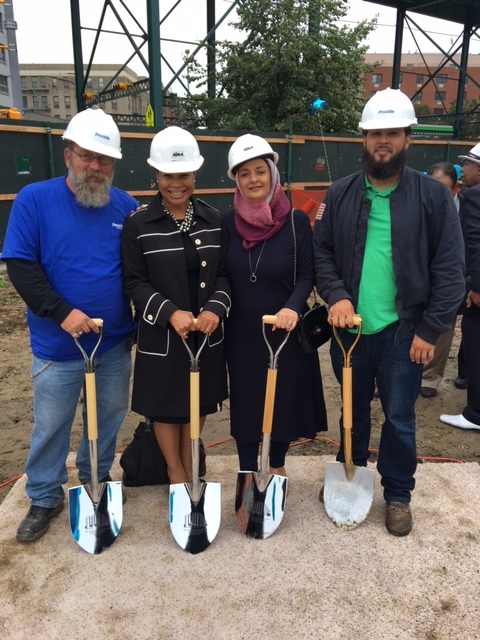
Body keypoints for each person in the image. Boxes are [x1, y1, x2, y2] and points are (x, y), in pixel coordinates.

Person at [313, 88, 465, 536]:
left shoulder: (432, 198)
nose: (383, 141)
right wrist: (337, 295)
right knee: (351, 413)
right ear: (363, 139)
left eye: (392, 133)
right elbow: (321, 253)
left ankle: (398, 493)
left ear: (407, 139)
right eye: (375, 133)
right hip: (350, 331)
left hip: (404, 333)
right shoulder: (339, 194)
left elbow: (451, 269)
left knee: (399, 417)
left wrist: (431, 330)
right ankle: (351, 476)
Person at [2, 108, 138, 543]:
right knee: (52, 422)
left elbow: (137, 271)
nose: (95, 168)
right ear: (68, 156)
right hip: (56, 345)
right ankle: (43, 496)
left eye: (105, 161)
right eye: (87, 157)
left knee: (108, 415)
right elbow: (21, 267)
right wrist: (63, 313)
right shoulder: (34, 200)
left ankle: (94, 482)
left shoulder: (126, 207)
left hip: (112, 344)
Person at [121, 126, 231, 484]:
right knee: (167, 406)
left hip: (204, 333)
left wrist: (216, 307)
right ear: (157, 175)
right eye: (168, 175)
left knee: (197, 403)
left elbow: (225, 275)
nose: (176, 183)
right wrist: (169, 313)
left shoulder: (214, 219)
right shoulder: (138, 224)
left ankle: (191, 458)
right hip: (162, 336)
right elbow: (133, 282)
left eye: (183, 174)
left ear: (194, 174)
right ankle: (176, 471)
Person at [223, 134, 328, 476]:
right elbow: (220, 273)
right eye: (244, 174)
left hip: (284, 329)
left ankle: (278, 465)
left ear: (272, 175)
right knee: (246, 399)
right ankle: (247, 469)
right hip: (242, 332)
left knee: (282, 399)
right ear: (236, 181)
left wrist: (293, 308)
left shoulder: (295, 222)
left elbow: (307, 274)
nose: (253, 179)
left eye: (260, 171)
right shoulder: (227, 223)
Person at [440, 142, 480, 431]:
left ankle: (475, 412)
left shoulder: (475, 197)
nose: (463, 169)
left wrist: (475, 287)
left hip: (477, 287)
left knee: (475, 342)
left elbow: (474, 246)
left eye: (468, 163)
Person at [420, 162, 461, 398]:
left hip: (448, 281)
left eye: (444, 188)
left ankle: (430, 377)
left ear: (455, 189)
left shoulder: (465, 209)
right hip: (419, 280)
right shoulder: (417, 205)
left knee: (443, 330)